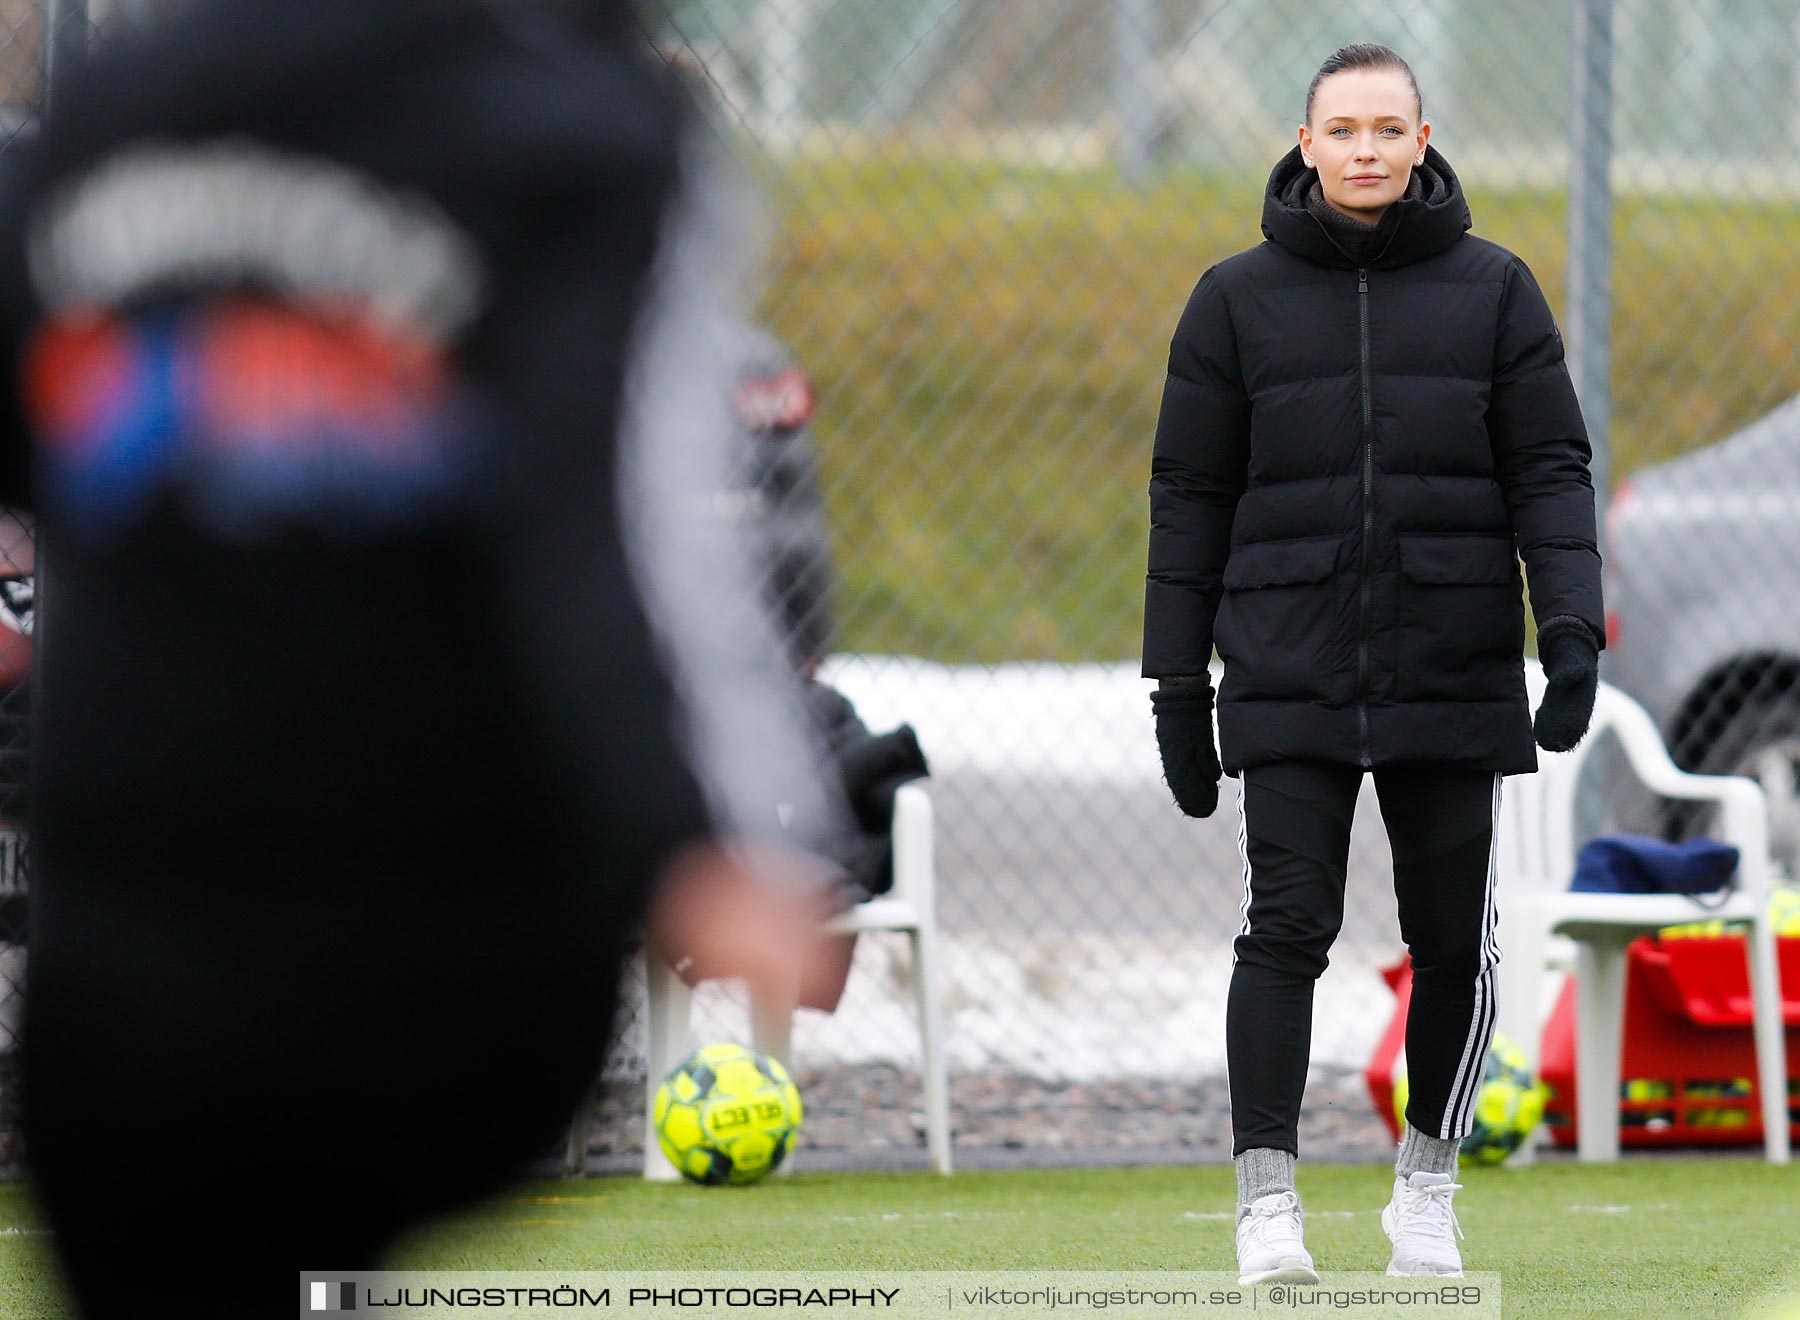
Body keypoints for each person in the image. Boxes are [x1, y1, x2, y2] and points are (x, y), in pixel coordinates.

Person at [0, 2, 835, 1316]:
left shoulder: (121, 109)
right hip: (427, 937)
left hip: (135, 925)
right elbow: (619, 521)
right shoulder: (578, 133)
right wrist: (699, 844)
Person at [1142, 43, 1603, 1283]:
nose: (1363, 149)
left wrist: (1568, 629)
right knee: (1284, 929)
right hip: (1286, 663)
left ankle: (1427, 1193)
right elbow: (1189, 496)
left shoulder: (1495, 291)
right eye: (1340, 128)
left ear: (1422, 138)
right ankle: (1267, 1207)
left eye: (1386, 129)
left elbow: (1548, 472)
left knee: (1456, 942)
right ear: (1304, 144)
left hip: (1450, 662)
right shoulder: (1231, 300)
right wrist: (1176, 684)